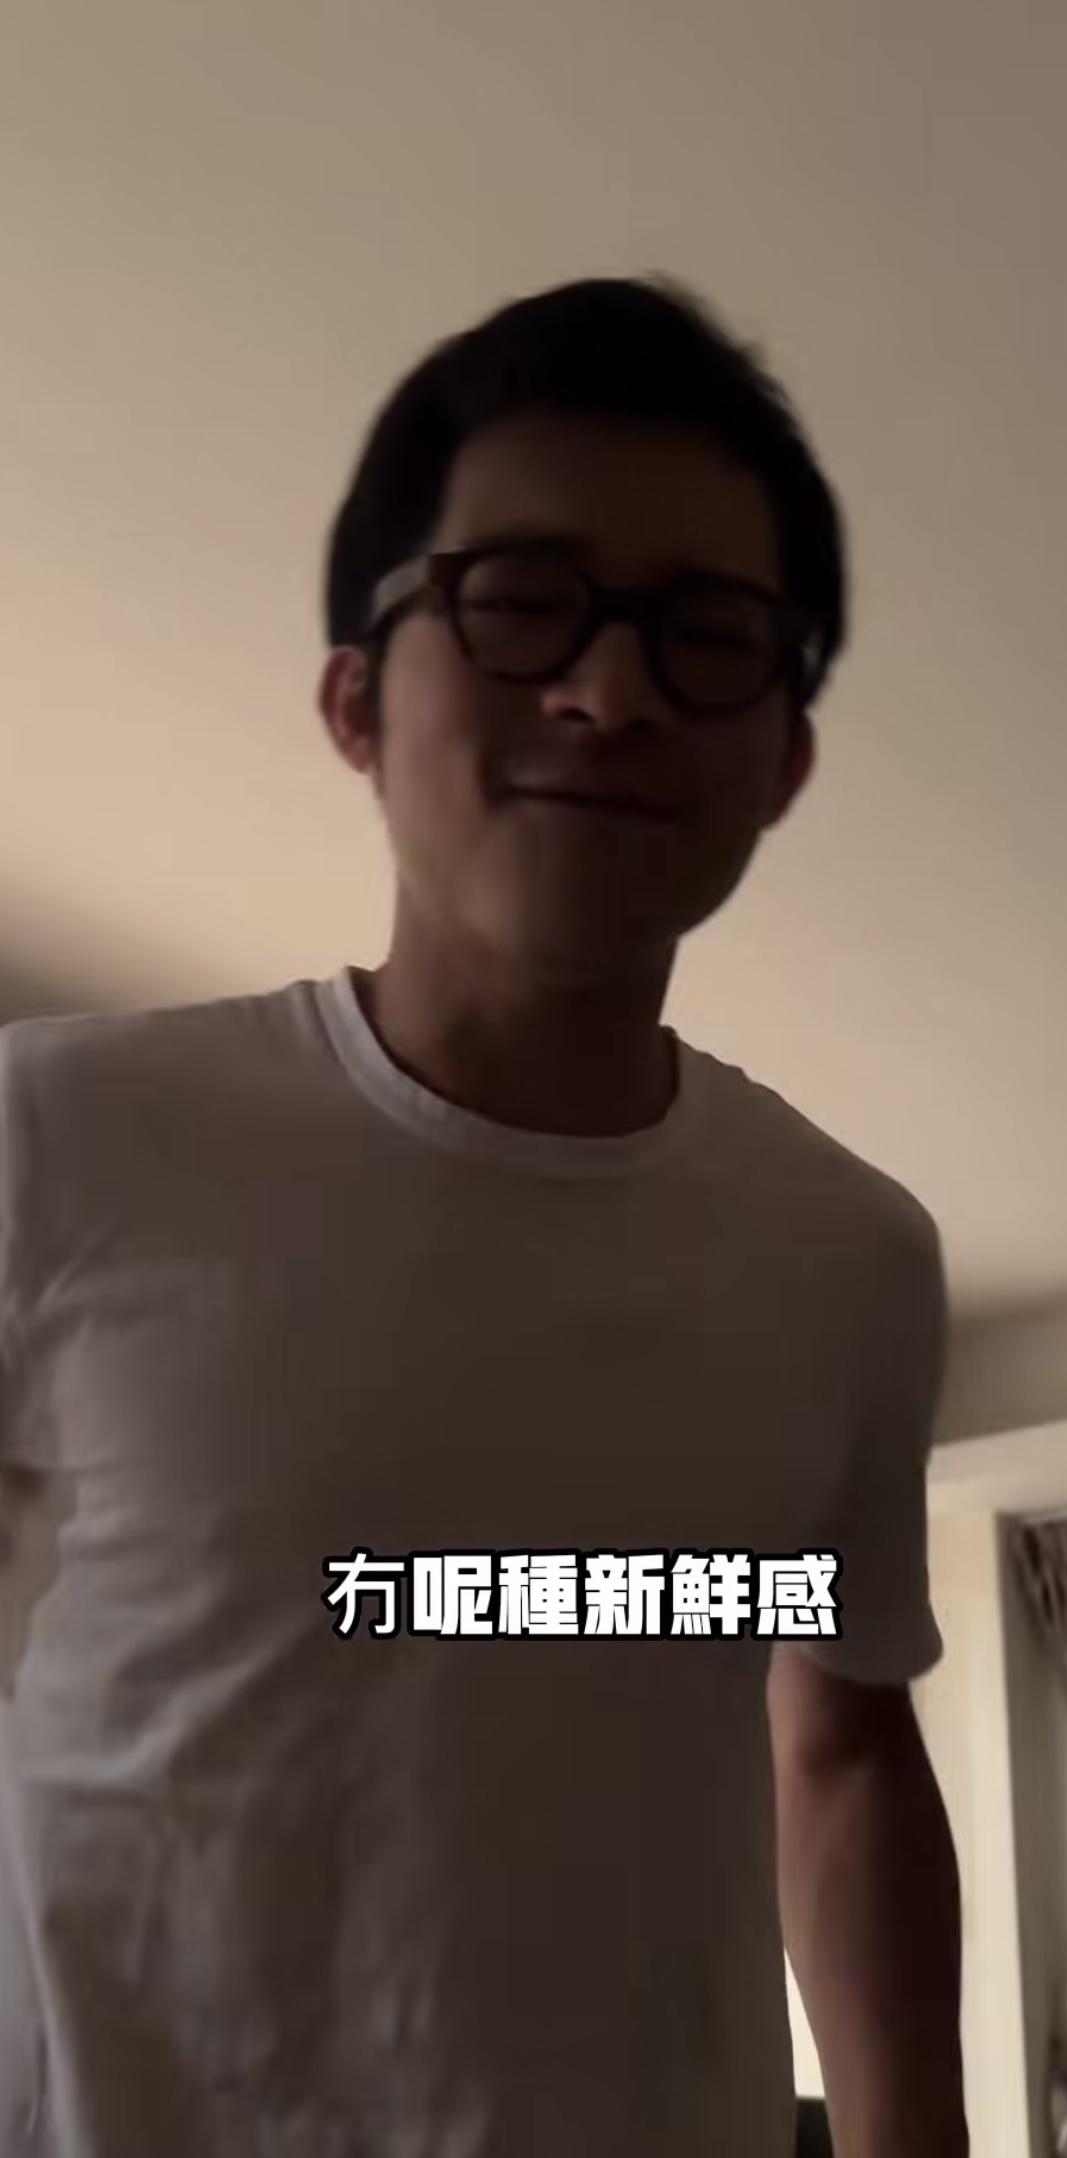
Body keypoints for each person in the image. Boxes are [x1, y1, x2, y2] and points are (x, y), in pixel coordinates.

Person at [0, 273, 968, 2157]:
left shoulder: (847, 1261)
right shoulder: (61, 1139)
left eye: (706, 635)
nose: (608, 690)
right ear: (357, 699)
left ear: (783, 758)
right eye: (522, 601)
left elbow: (840, 1744)